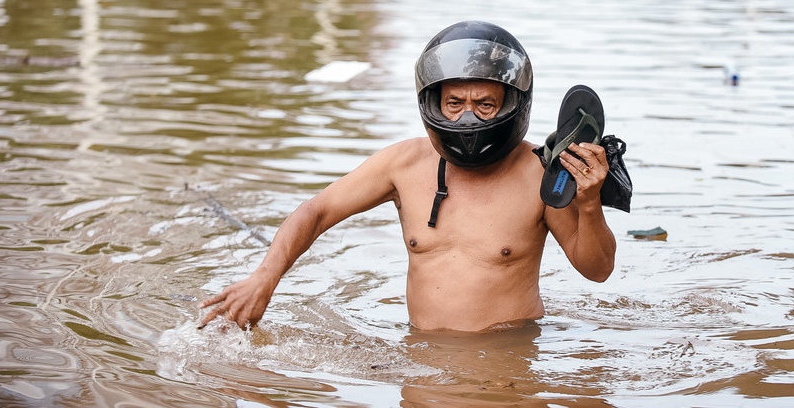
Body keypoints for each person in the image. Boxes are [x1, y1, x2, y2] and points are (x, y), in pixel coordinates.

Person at [200, 21, 616, 333]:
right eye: (454, 103)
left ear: (512, 103)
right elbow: (317, 210)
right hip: (421, 359)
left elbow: (597, 270)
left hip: (506, 361)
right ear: (433, 102)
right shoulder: (403, 164)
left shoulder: (542, 173)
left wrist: (589, 201)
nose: (467, 117)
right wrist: (264, 278)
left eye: (485, 104)